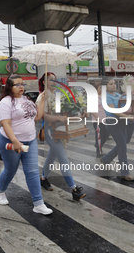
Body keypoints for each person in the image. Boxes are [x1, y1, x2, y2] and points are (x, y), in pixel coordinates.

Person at [0, 74, 53, 215]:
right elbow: (5, 124)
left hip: (30, 140)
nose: (21, 87)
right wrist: (15, 141)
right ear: (9, 86)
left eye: (22, 84)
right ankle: (0, 192)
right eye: (17, 84)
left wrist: (43, 100)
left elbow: (37, 117)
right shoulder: (5, 102)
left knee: (32, 171)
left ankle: (38, 203)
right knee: (10, 170)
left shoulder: (26, 99)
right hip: (10, 141)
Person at [37, 72, 86, 200]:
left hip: (60, 130)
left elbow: (66, 113)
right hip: (50, 131)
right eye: (51, 80)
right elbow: (44, 116)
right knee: (63, 159)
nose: (54, 82)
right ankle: (74, 189)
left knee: (51, 157)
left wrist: (77, 114)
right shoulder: (42, 97)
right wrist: (61, 118)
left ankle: (43, 178)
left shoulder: (58, 95)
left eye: (55, 79)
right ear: (44, 82)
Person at [100, 79, 134, 181]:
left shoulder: (117, 94)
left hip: (122, 121)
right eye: (110, 84)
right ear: (105, 86)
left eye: (114, 83)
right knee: (122, 146)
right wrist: (127, 116)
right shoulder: (106, 97)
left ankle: (106, 159)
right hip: (112, 122)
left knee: (124, 142)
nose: (114, 85)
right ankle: (125, 173)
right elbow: (113, 110)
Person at [90, 82, 109, 158]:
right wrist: (96, 117)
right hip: (97, 120)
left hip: (105, 119)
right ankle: (99, 152)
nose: (102, 89)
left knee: (107, 134)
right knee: (99, 136)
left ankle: (97, 145)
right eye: (100, 87)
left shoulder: (103, 96)